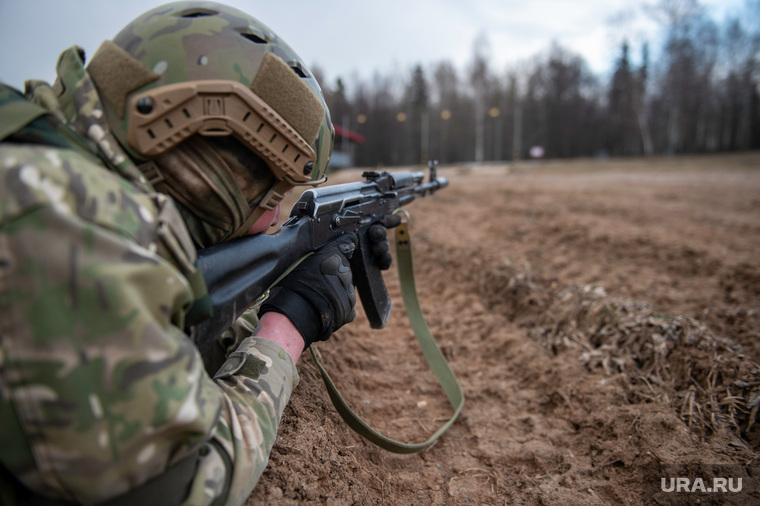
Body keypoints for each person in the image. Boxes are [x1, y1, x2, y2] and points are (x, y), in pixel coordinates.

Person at [0, 2, 390, 504]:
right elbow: (187, 480)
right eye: (265, 195)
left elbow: (158, 338)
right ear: (202, 167)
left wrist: (290, 280)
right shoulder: (56, 221)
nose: (273, 220)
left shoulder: (47, 169)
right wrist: (288, 325)